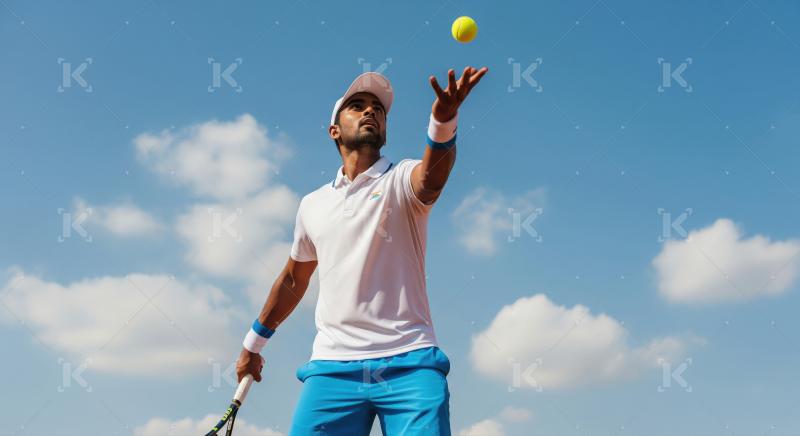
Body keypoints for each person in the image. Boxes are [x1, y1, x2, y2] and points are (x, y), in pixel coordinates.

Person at [235, 66, 488, 435]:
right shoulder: (312, 205)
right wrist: (252, 345)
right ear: (334, 130)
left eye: (378, 109)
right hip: (332, 367)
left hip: (410, 362)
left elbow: (431, 180)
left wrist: (443, 120)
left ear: (384, 129)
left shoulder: (402, 178)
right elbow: (293, 279)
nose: (371, 110)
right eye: (357, 106)